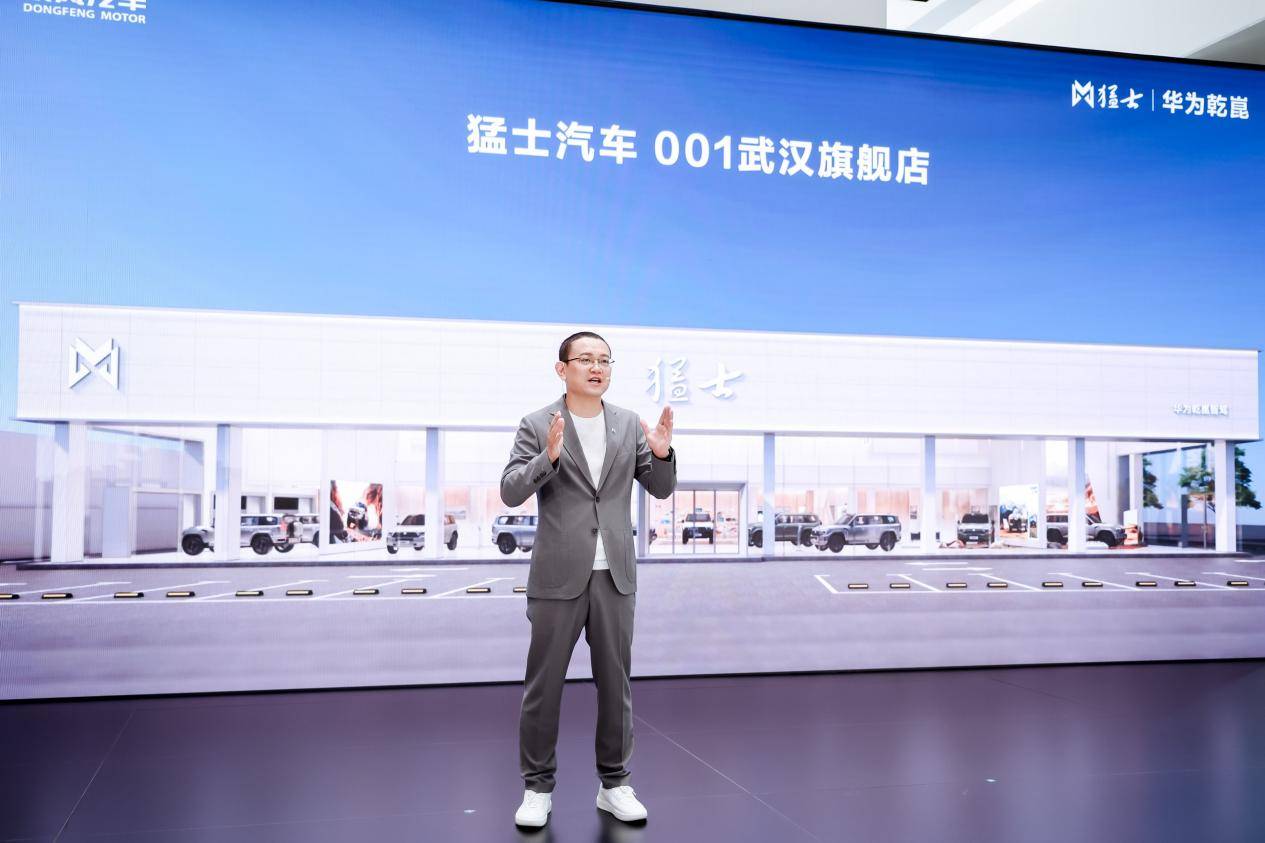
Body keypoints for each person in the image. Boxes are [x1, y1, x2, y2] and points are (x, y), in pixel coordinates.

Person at [501, 331, 677, 828]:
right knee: (543, 686)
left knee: (616, 686)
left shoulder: (628, 424)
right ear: (562, 369)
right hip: (557, 575)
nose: (596, 368)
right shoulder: (537, 423)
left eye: (604, 360)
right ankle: (537, 788)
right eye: (585, 359)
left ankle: (615, 784)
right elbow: (511, 491)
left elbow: (661, 489)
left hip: (614, 574)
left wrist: (662, 453)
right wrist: (549, 458)